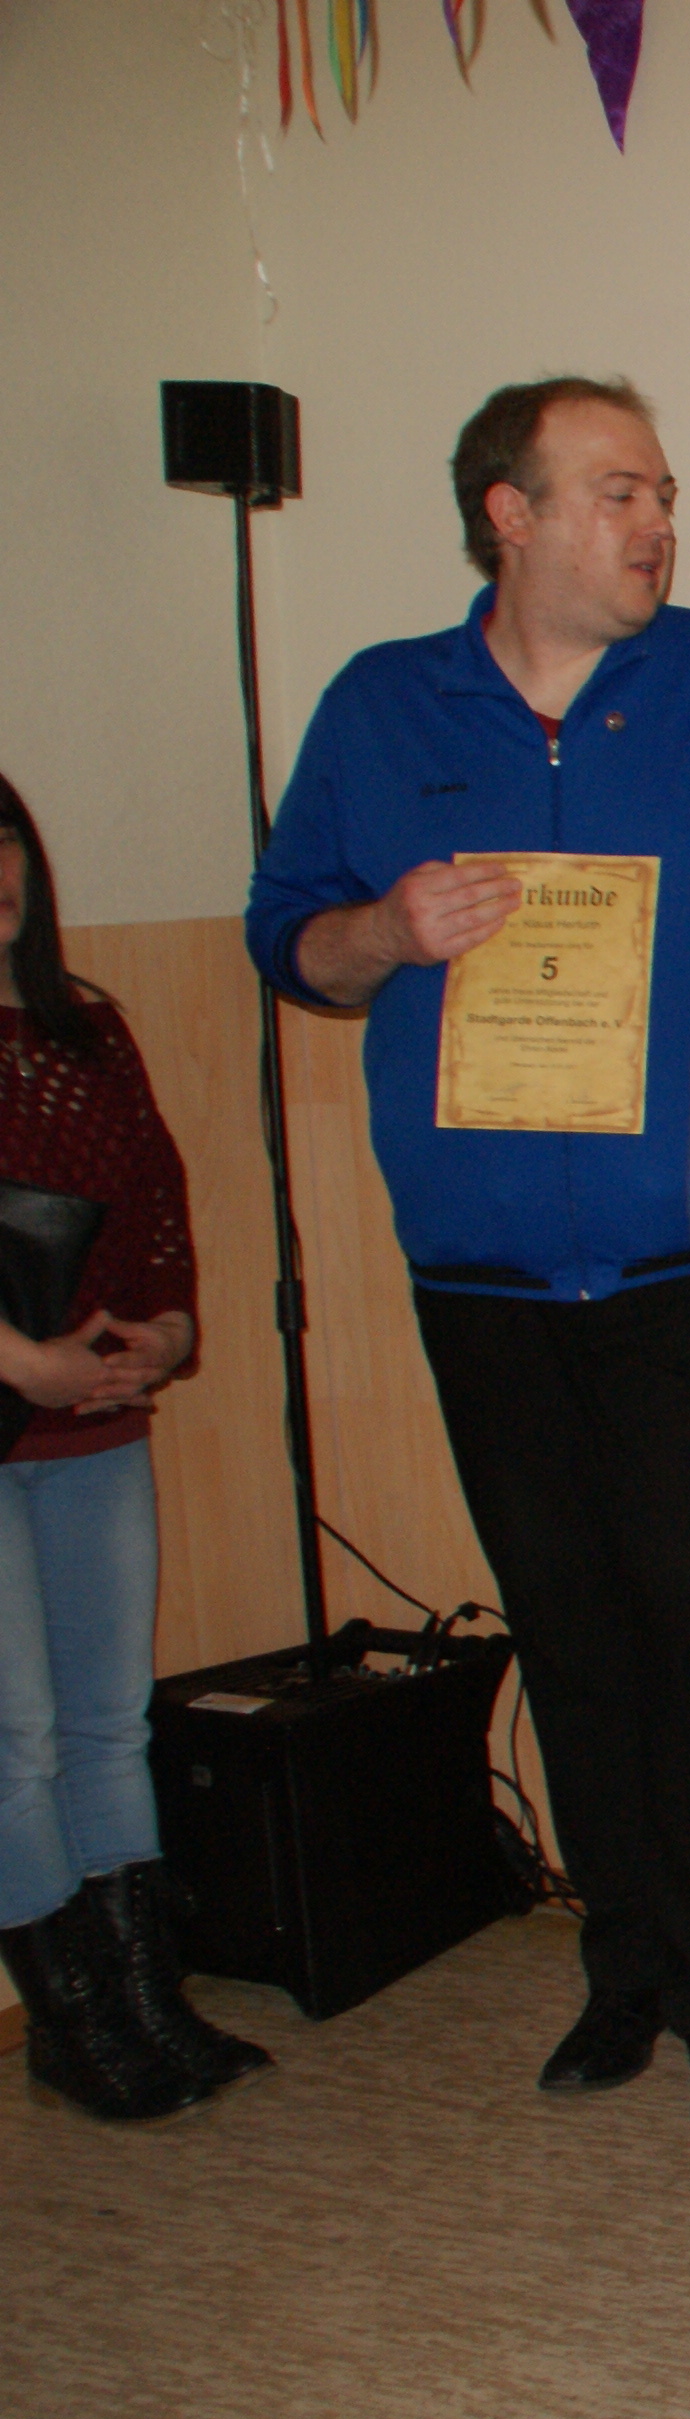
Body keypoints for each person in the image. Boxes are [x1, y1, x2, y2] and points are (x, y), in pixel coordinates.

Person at [242, 377, 690, 2137]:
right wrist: (383, 929)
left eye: (664, 493)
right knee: (567, 1629)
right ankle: (622, 1968)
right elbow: (290, 944)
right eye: (619, 492)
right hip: (482, 1282)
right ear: (512, 512)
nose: (657, 525)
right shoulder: (379, 703)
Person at [0, 776, 258, 2123]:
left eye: (3, 847)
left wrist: (166, 1329)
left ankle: (150, 2000)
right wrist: (22, 1360)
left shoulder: (84, 1027)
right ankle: (74, 2022)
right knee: (17, 1736)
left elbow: (155, 1196)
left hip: (95, 1418)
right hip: (16, 1399)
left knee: (108, 1721)